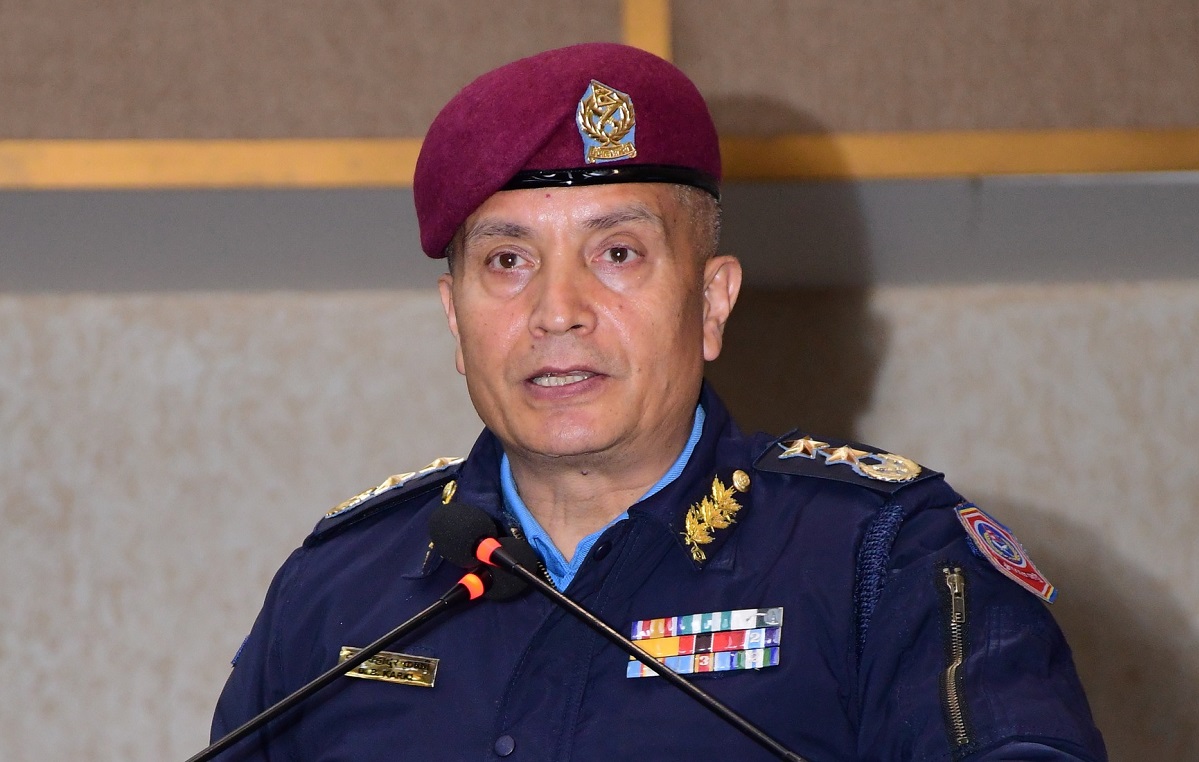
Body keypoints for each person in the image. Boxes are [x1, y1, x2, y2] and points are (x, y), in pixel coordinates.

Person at [210, 43, 1106, 761]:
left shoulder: (887, 556)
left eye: (618, 254)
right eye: (507, 262)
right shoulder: (336, 591)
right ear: (456, 318)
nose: (557, 312)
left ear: (712, 302)